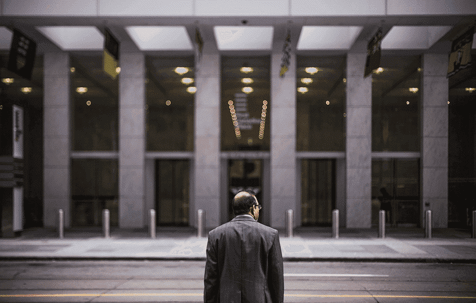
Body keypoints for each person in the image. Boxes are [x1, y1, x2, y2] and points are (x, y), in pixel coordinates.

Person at [204, 191, 284, 303]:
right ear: (252, 208)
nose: (258, 210)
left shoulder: (216, 235)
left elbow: (211, 279)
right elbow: (276, 279)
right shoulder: (270, 235)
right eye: (258, 207)